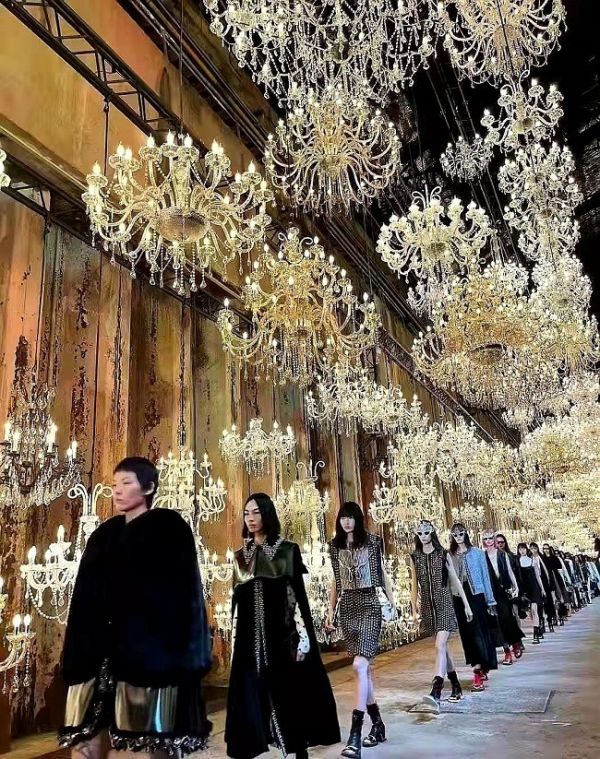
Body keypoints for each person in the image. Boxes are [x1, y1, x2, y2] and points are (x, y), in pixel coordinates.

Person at [59, 457, 212, 759]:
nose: (117, 491)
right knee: (85, 744)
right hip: (96, 657)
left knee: (146, 745)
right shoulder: (103, 536)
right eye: (114, 484)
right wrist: (79, 650)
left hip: (148, 659)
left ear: (149, 487)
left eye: (126, 483)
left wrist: (175, 654)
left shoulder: (168, 530)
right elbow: (83, 598)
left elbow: (183, 598)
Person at [225, 493, 339, 759]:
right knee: (251, 696)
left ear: (267, 514)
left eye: (256, 512)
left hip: (282, 638)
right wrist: (234, 644)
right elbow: (236, 607)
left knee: (290, 694)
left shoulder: (287, 550)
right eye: (246, 513)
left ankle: (298, 749)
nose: (251, 518)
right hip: (249, 643)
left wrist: (303, 639)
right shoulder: (240, 557)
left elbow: (296, 599)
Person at [326, 502, 395, 757]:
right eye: (343, 518)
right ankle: (378, 725)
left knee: (358, 666)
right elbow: (336, 581)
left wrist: (392, 604)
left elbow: (382, 574)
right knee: (363, 670)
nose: (346, 522)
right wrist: (330, 611)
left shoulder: (373, 542)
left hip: (369, 604)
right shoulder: (334, 547)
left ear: (357, 519)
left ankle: (355, 734)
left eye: (350, 517)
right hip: (348, 607)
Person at [410, 520, 472, 710]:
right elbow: (414, 585)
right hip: (428, 607)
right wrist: (413, 609)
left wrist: (467, 605)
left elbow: (455, 581)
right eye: (420, 533)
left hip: (444, 603)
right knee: (442, 649)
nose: (423, 536)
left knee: (440, 645)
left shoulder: (442, 554)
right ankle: (455, 684)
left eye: (426, 532)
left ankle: (436, 690)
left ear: (432, 533)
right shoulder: (415, 556)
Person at [448, 523, 498, 692]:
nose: (458, 537)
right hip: (458, 597)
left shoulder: (477, 553)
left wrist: (490, 601)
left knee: (479, 632)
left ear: (466, 534)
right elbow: (449, 581)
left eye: (461, 533)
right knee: (467, 634)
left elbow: (486, 577)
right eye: (455, 535)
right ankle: (477, 666)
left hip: (477, 595)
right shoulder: (450, 555)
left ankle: (480, 668)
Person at [482, 530, 524, 665]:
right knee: (497, 623)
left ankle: (516, 643)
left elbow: (510, 571)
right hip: (491, 592)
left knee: (507, 619)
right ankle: (507, 652)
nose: (488, 541)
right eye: (485, 539)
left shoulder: (502, 554)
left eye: (490, 538)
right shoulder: (482, 556)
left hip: (504, 591)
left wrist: (515, 587)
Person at [517, 543, 546, 644]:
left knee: (534, 610)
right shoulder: (516, 561)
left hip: (534, 588)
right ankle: (538, 626)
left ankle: (535, 634)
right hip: (524, 590)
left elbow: (538, 576)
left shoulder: (533, 560)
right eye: (520, 549)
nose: (522, 550)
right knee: (529, 612)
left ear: (526, 549)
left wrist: (542, 589)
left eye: (524, 548)